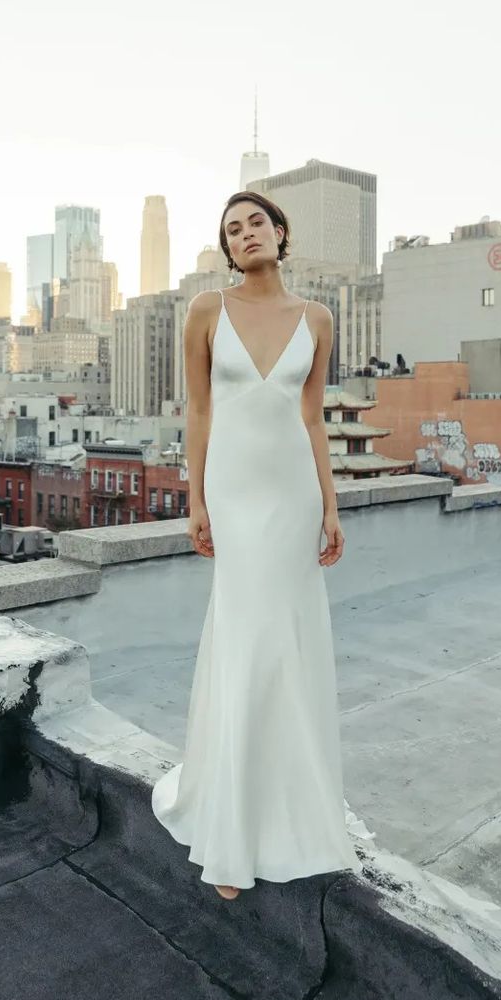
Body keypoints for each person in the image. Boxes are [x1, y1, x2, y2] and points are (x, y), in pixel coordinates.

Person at [150, 190, 365, 900]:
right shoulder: (207, 310)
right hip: (237, 499)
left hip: (294, 495)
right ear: (227, 247)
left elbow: (311, 421)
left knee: (287, 644)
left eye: (256, 223)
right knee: (246, 640)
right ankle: (230, 833)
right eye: (232, 229)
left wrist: (330, 506)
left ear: (281, 232)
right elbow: (201, 408)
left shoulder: (319, 319)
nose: (245, 234)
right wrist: (197, 497)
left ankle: (290, 810)